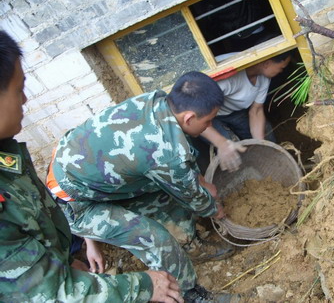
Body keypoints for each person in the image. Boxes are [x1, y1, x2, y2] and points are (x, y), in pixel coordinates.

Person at [0, 30, 183, 302]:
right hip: (78, 214)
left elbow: (41, 221)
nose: (25, 100)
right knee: (156, 237)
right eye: (18, 89)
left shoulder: (8, 155)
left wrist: (64, 259)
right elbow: (51, 293)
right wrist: (142, 286)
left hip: (74, 227)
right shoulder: (156, 142)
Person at [46, 70, 239, 301]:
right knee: (155, 238)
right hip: (77, 203)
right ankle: (189, 294)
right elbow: (192, 194)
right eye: (207, 121)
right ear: (188, 118)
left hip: (89, 175)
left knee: (169, 197)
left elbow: (181, 169)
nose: (209, 126)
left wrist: (201, 183)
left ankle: (191, 246)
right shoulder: (164, 152)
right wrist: (213, 207)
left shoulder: (156, 101)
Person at [200, 51, 293, 172]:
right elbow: (197, 115)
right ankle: (248, 175)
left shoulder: (263, 78)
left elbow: (256, 110)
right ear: (267, 63)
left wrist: (261, 145)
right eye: (282, 67)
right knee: (233, 146)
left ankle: (272, 168)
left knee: (265, 132)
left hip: (234, 112)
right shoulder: (227, 75)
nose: (281, 71)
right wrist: (222, 143)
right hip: (208, 117)